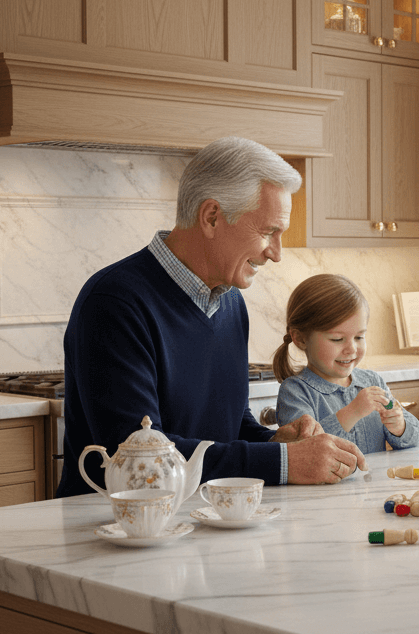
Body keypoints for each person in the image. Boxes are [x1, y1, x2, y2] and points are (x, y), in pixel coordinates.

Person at [57, 136, 366, 498]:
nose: (277, 253)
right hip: (110, 534)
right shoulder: (114, 302)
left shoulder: (230, 302)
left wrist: (275, 441)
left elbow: (228, 425)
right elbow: (139, 458)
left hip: (200, 521)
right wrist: (283, 461)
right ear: (212, 216)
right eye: (269, 232)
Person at [273, 274, 419, 454]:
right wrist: (352, 412)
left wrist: (400, 426)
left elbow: (414, 439)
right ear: (300, 338)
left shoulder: (372, 381)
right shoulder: (295, 392)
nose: (351, 349)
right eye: (337, 339)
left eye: (359, 337)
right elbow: (304, 452)